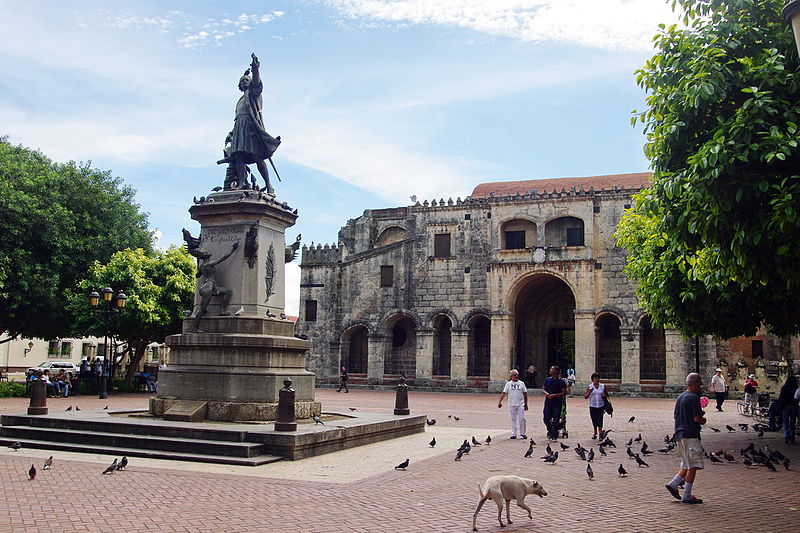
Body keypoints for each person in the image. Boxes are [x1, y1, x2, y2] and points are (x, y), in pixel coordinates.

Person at [225, 53, 281, 194]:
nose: (244, 82)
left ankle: (268, 185)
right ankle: (242, 183)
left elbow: (257, 83)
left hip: (251, 128)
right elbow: (238, 118)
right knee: (238, 156)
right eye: (242, 80)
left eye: (246, 80)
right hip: (239, 129)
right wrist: (231, 133)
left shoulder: (253, 95)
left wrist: (255, 68)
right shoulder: (240, 100)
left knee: (257, 156)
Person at [665, 372, 706, 504]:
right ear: (694, 384)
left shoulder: (681, 397)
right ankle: (687, 494)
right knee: (693, 465)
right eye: (699, 383)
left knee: (686, 463)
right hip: (690, 434)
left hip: (679, 433)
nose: (700, 386)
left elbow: (676, 416)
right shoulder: (693, 398)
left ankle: (674, 483)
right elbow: (696, 418)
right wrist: (703, 419)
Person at [498, 369, 528, 439]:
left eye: (517, 375)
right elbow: (504, 393)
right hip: (511, 404)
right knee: (513, 419)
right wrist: (500, 401)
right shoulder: (508, 384)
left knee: (522, 418)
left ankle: (523, 433)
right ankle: (513, 433)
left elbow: (525, 393)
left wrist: (526, 403)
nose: (516, 376)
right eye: (514, 375)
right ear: (511, 376)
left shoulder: (521, 383)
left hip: (521, 403)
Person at [542, 365, 567, 440]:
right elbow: (543, 389)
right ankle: (551, 430)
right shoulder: (547, 380)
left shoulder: (561, 381)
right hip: (548, 403)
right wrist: (547, 393)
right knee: (546, 418)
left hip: (557, 403)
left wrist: (555, 395)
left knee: (556, 419)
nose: (550, 370)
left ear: (556, 371)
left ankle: (554, 434)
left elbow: (564, 392)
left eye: (552, 369)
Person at [584, 372, 608, 439]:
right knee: (594, 419)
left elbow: (606, 394)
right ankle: (595, 432)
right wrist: (589, 392)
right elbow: (585, 397)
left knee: (600, 419)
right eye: (595, 378)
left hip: (600, 405)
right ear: (592, 379)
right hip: (592, 405)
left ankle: (600, 433)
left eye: (597, 378)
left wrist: (604, 396)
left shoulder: (602, 386)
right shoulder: (590, 386)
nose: (596, 379)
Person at [777, 375, 798, 445]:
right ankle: (793, 439)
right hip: (794, 406)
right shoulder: (796, 388)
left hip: (786, 406)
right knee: (792, 423)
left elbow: (781, 397)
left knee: (785, 422)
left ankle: (786, 434)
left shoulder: (784, 388)